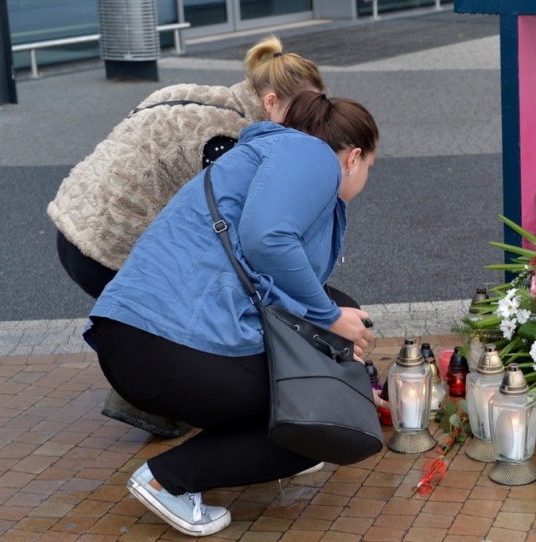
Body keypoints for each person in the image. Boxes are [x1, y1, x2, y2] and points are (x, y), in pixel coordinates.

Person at [85, 91, 379, 537]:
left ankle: (244, 456)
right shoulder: (314, 156)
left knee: (323, 387)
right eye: (372, 166)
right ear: (353, 157)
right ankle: (167, 480)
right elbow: (268, 240)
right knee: (320, 421)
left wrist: (355, 371)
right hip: (165, 346)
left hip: (135, 338)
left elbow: (280, 281)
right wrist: (331, 321)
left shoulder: (265, 157)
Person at [46, 35, 325, 438]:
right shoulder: (229, 139)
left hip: (74, 224)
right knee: (191, 308)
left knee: (162, 309)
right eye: (304, 114)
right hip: (109, 245)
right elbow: (232, 232)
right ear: (271, 103)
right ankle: (153, 401)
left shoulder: (194, 95)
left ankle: (144, 396)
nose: (308, 127)